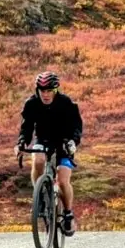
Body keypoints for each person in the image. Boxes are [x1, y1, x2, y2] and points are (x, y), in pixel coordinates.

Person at [17, 70, 83, 235]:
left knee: (63, 180)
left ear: (55, 90)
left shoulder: (66, 103)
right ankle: (39, 195)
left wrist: (73, 142)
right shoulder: (31, 104)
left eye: (49, 91)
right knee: (38, 160)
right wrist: (21, 143)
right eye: (42, 91)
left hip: (64, 143)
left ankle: (68, 213)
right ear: (37, 90)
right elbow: (26, 127)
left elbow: (76, 126)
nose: (45, 95)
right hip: (43, 140)